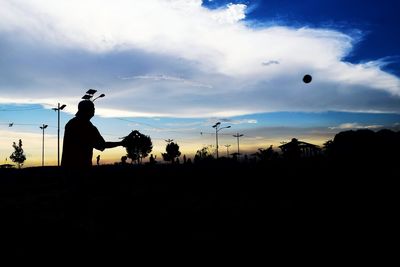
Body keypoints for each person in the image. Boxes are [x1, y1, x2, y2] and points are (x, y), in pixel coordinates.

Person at [61, 100, 123, 168]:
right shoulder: (88, 127)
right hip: (80, 169)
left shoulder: (71, 123)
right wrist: (121, 143)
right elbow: (101, 145)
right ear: (87, 110)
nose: (94, 110)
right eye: (93, 108)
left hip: (68, 168)